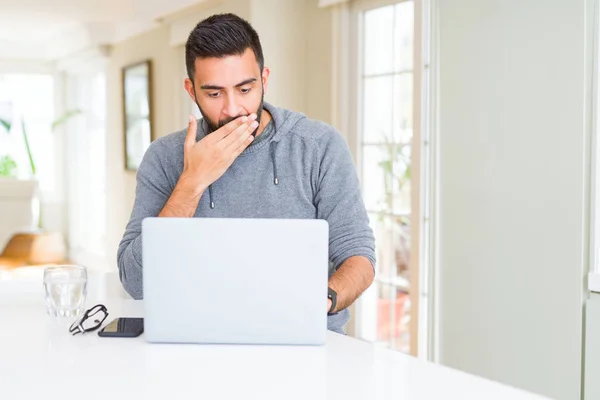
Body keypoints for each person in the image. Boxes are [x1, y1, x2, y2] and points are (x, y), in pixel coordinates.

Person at [117, 13, 376, 334]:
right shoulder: (164, 157)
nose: (232, 109)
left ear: (264, 79)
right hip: (195, 339)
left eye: (244, 89)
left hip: (302, 337)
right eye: (214, 94)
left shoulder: (319, 146)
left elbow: (358, 256)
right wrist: (192, 182)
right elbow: (135, 282)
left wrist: (321, 300)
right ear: (191, 90)